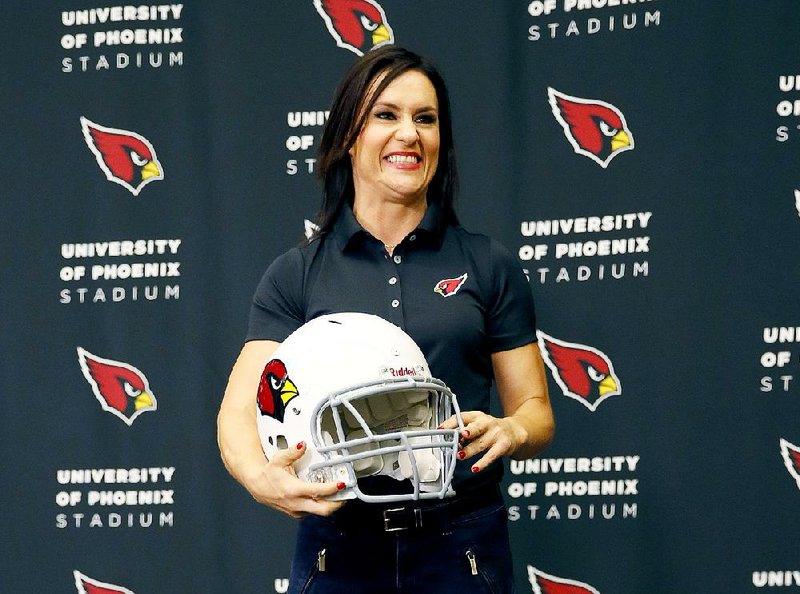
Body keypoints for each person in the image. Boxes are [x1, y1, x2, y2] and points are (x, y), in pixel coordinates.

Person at [217, 45, 554, 593]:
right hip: (339, 541)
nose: (409, 134)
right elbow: (237, 413)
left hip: (462, 542)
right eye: (386, 115)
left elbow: (536, 410)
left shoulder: (488, 265)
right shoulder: (297, 274)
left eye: (426, 119)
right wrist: (264, 482)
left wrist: (513, 430)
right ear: (350, 134)